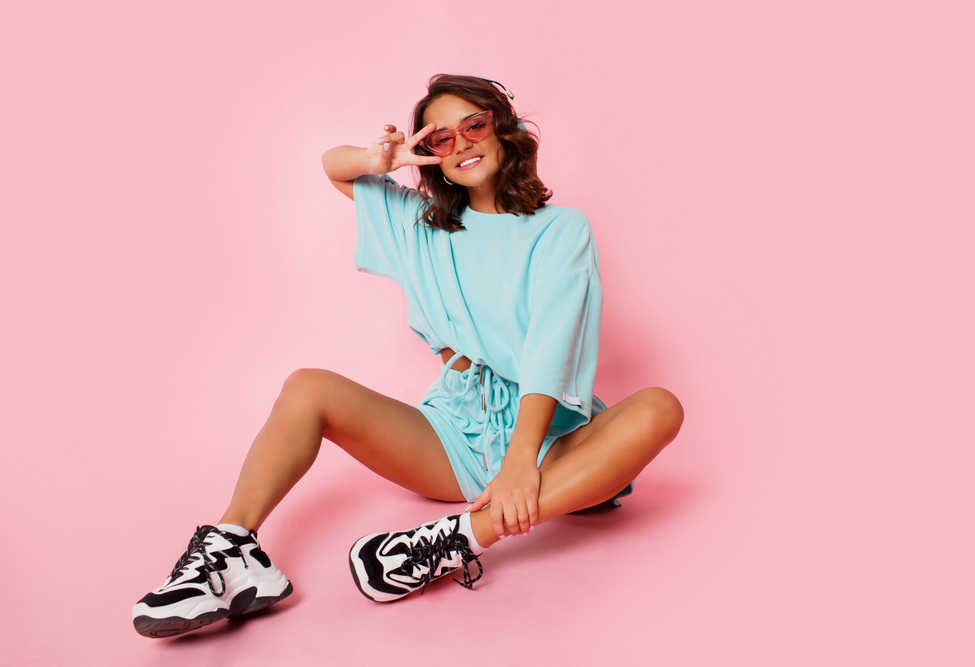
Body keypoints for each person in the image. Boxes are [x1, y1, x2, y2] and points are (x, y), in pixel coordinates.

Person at [132, 74, 684, 638]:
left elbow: (552, 343)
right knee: (307, 385)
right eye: (441, 139)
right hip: (456, 438)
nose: (462, 144)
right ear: (431, 153)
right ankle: (232, 553)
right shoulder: (418, 224)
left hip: (552, 445)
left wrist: (521, 462)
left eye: (474, 126)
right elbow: (333, 166)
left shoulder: (562, 229)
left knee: (659, 408)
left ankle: (460, 537)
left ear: (505, 129)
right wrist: (390, 156)